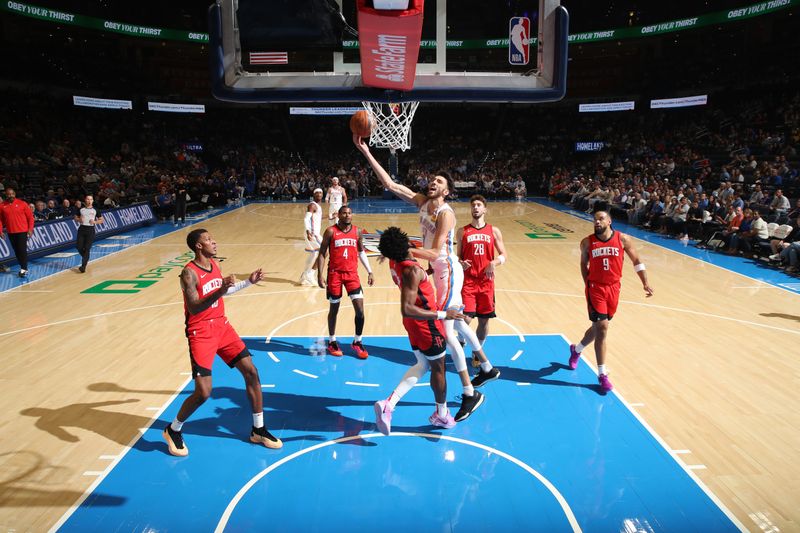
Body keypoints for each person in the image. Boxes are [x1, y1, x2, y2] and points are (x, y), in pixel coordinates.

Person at [354, 135, 488, 422]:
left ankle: (469, 392)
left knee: (447, 331)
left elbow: (438, 252)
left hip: (447, 268)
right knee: (444, 332)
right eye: (432, 179)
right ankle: (485, 368)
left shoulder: (445, 213)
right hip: (434, 270)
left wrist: (403, 249)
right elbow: (390, 185)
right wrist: (365, 150)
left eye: (440, 181)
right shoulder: (423, 202)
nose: (433, 182)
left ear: (448, 191)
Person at [163, 228, 282, 457]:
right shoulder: (188, 273)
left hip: (222, 326)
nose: (213, 242)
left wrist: (248, 282)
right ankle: (173, 429)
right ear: (198, 246)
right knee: (204, 392)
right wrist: (220, 290)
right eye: (208, 239)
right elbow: (195, 306)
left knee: (251, 372)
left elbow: (223, 292)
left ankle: (258, 429)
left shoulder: (214, 264)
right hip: (201, 332)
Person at [373, 227, 465, 435]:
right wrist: (443, 314)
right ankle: (441, 414)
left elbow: (414, 281)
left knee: (422, 364)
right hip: (426, 324)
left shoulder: (396, 263)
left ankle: (389, 404)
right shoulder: (411, 271)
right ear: (404, 244)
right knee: (439, 369)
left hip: (413, 325)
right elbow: (407, 306)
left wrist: (428, 273)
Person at [568, 210, 654, 392]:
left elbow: (637, 260)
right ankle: (602, 375)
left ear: (609, 221)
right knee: (603, 327)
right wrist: (587, 284)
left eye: (600, 219)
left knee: (598, 328)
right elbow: (584, 264)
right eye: (594, 220)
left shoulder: (623, 239)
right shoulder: (587, 242)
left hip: (614, 288)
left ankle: (576, 350)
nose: (597, 222)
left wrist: (645, 282)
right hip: (596, 288)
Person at [457, 195, 506, 385]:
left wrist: (494, 262)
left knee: (484, 321)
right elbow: (459, 256)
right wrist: (461, 263)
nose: (475, 208)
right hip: (469, 281)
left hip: (486, 283)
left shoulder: (493, 231)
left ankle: (477, 354)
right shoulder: (462, 231)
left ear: (485, 209)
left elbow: (504, 254)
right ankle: (461, 340)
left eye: (479, 205)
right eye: (473, 205)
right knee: (466, 318)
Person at [316, 205, 374, 359]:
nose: (347, 215)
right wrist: (319, 274)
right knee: (334, 309)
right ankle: (332, 341)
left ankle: (357, 342)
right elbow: (322, 253)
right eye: (344, 213)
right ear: (339, 215)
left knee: (360, 311)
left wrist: (370, 271)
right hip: (335, 274)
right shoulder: (330, 231)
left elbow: (361, 252)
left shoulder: (358, 231)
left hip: (352, 275)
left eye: (349, 213)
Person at [0, 187, 35, 277]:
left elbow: (30, 217)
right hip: (11, 232)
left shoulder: (22, 203)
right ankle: (23, 267)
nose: (10, 195)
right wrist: (0, 231)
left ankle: (24, 268)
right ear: (6, 195)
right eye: (8, 194)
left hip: (22, 231)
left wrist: (30, 229)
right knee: (16, 251)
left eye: (12, 194)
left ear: (14, 194)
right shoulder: (2, 206)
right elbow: (0, 220)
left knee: (21, 250)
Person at [74, 194, 105, 273]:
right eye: (88, 199)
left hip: (90, 230)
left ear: (92, 201)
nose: (89, 201)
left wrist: (95, 222)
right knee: (79, 247)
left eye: (91, 199)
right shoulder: (81, 209)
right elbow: (75, 217)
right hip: (82, 229)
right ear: (85, 200)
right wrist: (79, 220)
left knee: (87, 248)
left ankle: (83, 266)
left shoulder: (96, 210)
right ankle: (86, 257)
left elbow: (101, 220)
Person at [300, 188, 324, 286]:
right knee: (324, 252)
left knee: (313, 254)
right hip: (313, 233)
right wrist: (308, 231)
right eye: (317, 192)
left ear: (323, 195)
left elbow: (318, 217)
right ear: (313, 195)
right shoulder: (312, 205)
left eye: (320, 192)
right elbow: (306, 219)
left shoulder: (317, 206)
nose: (319, 194)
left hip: (315, 233)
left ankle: (304, 275)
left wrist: (331, 216)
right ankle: (310, 274)